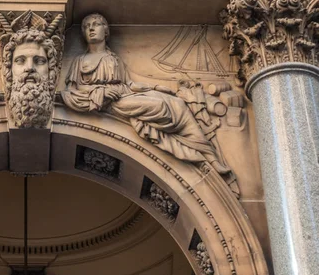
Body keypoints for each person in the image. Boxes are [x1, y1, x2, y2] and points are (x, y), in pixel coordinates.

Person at [61, 13, 231, 174]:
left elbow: (128, 84)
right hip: (111, 102)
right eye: (87, 26)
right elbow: (72, 90)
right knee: (161, 107)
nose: (91, 29)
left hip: (124, 95)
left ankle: (207, 153)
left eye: (96, 24)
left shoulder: (114, 58)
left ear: (105, 31)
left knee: (178, 103)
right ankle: (198, 152)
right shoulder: (80, 61)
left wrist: (156, 87)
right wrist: (101, 92)